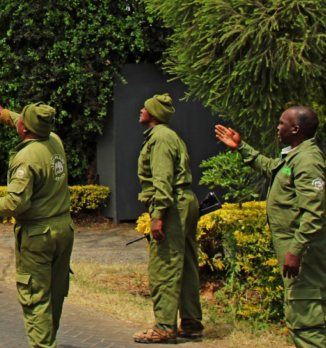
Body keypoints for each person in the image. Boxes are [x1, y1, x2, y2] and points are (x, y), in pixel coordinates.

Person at [215, 108, 326, 348]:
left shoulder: (308, 160)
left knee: (306, 322)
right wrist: (241, 147)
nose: (277, 127)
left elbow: (314, 213)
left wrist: (295, 251)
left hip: (305, 256)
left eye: (281, 123)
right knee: (301, 314)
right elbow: (271, 168)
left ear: (295, 129)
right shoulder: (294, 157)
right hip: (297, 253)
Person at [0, 95, 73, 348]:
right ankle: (49, 339)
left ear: (24, 128)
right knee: (54, 293)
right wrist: (3, 113)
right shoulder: (54, 141)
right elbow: (27, 122)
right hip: (63, 228)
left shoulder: (26, 158)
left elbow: (16, 203)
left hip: (38, 234)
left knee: (35, 297)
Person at [134, 94, 202, 343]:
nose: (140, 110)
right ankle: (192, 321)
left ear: (153, 115)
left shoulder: (160, 138)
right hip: (185, 199)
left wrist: (158, 215)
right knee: (186, 262)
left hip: (171, 203)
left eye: (145, 107)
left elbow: (163, 178)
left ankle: (164, 325)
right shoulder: (169, 136)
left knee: (164, 263)